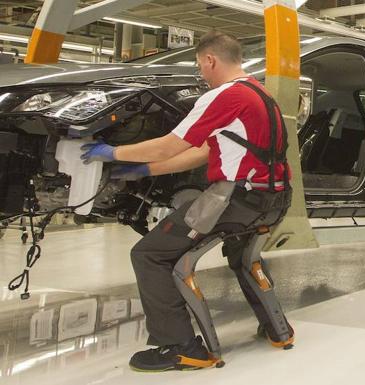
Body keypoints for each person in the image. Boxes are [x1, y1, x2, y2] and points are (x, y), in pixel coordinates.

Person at [81, 30, 294, 372]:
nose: (201, 74)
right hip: (274, 199)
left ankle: (181, 347)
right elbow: (205, 151)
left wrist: (112, 152)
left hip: (234, 199)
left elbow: (170, 144)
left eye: (200, 66)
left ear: (210, 60)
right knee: (242, 252)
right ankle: (278, 329)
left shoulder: (223, 95)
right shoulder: (262, 94)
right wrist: (144, 170)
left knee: (149, 254)